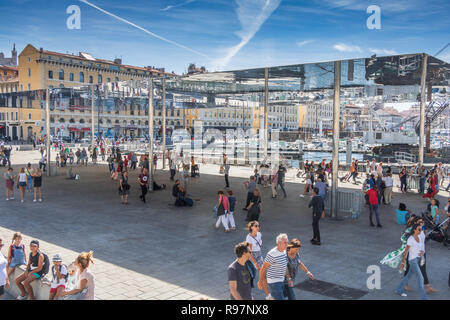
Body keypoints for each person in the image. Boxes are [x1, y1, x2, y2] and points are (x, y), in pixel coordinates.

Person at [395, 224, 429, 300]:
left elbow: (421, 247)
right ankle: (424, 298)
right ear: (414, 230)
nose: (421, 231)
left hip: (417, 259)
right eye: (419, 229)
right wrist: (403, 262)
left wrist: (422, 252)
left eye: (421, 229)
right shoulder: (411, 239)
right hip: (412, 261)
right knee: (421, 278)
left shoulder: (420, 237)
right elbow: (406, 252)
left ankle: (398, 290)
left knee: (408, 276)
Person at [257, 234, 289, 300]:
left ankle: (269, 297)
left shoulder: (284, 251)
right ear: (279, 243)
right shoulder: (272, 254)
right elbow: (263, 268)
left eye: (287, 242)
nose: (287, 244)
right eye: (285, 243)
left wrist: (289, 278)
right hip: (274, 282)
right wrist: (260, 281)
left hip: (281, 280)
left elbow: (285, 265)